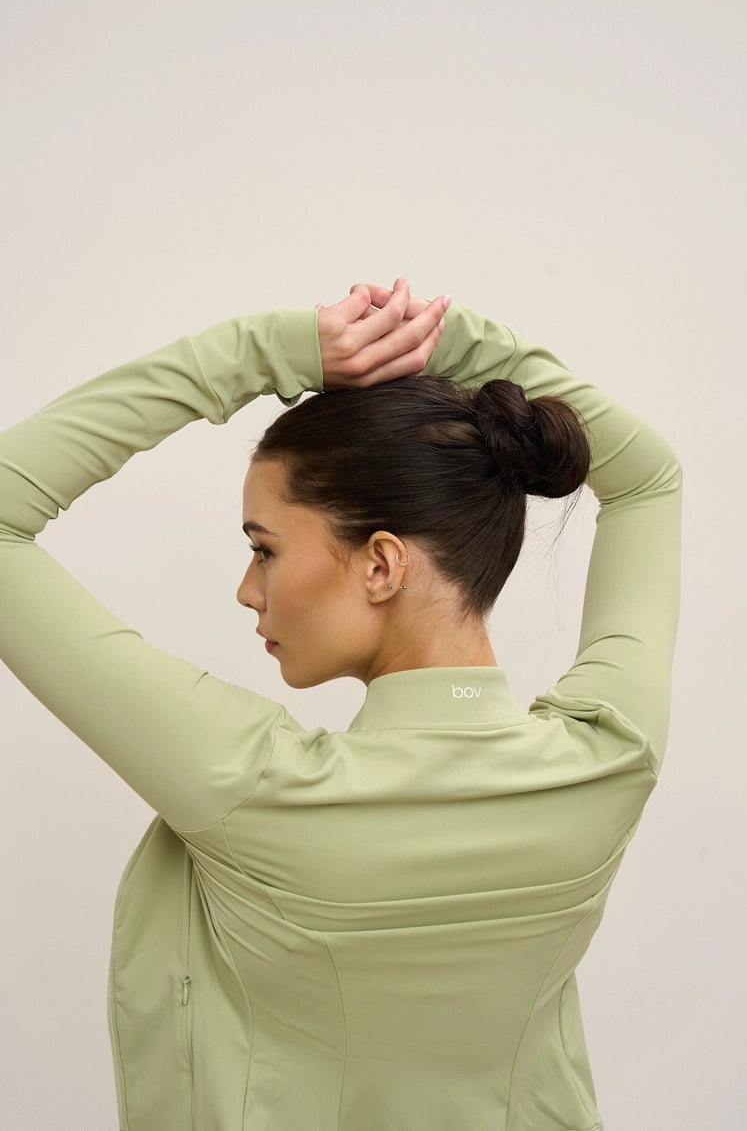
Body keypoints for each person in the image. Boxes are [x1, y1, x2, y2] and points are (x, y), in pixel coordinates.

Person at [0, 277, 682, 1131]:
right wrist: (448, 342)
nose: (248, 590)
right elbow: (649, 478)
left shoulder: (255, 786)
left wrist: (274, 350)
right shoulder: (610, 757)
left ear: (382, 565)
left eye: (265, 549)